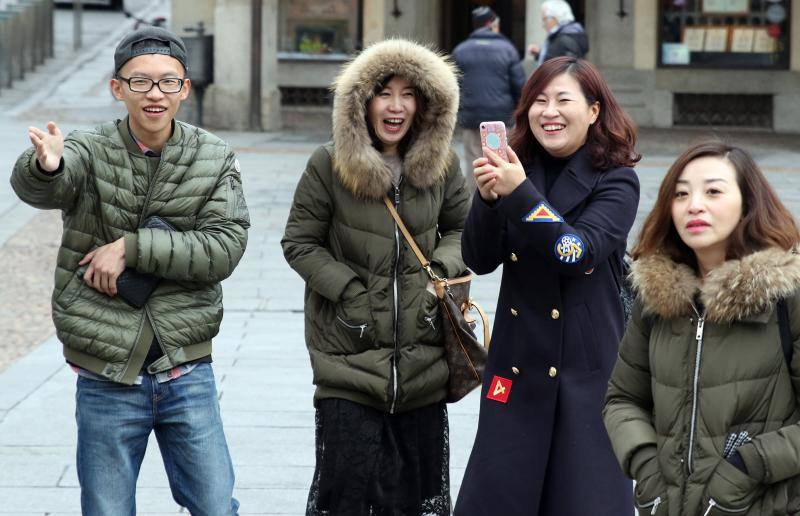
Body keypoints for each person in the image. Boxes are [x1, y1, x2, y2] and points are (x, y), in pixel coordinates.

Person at [10, 26, 249, 515]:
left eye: (167, 81)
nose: (154, 93)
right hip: (106, 370)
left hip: (186, 367)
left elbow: (224, 248)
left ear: (184, 88)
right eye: (140, 81)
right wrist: (47, 167)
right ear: (117, 88)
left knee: (216, 506)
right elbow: (47, 185)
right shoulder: (90, 147)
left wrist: (132, 248)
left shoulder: (213, 155)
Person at [281, 39, 470, 515]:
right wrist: (349, 293)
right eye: (384, 93)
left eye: (408, 95)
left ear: (427, 106)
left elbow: (462, 230)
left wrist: (437, 277)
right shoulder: (327, 164)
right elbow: (299, 242)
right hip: (348, 359)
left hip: (424, 364)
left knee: (414, 500)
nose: (395, 106)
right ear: (361, 102)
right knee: (346, 495)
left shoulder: (443, 166)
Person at [454, 56, 640, 515]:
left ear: (593, 110)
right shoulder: (519, 169)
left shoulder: (617, 179)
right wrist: (487, 200)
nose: (549, 112)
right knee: (499, 496)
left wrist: (518, 194)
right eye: (538, 101)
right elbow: (478, 258)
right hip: (516, 364)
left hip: (584, 371)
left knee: (582, 497)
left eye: (562, 100)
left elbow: (575, 254)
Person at [604, 141, 800, 515]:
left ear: (748, 203)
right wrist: (647, 469)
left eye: (713, 191)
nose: (694, 205)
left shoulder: (787, 294)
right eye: (681, 194)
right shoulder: (658, 297)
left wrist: (746, 468)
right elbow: (623, 399)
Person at [453, 6, 526, 194]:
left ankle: (479, 201)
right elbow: (520, 86)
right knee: (502, 159)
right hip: (502, 117)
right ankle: (503, 199)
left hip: (471, 118)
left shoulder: (460, 50)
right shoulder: (507, 49)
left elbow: (453, 86)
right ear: (490, 24)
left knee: (475, 163)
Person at [528, 0, 589, 65]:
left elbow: (568, 67)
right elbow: (554, 58)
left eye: (544, 19)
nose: (543, 25)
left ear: (555, 18)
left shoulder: (566, 38)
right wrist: (539, 53)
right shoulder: (560, 35)